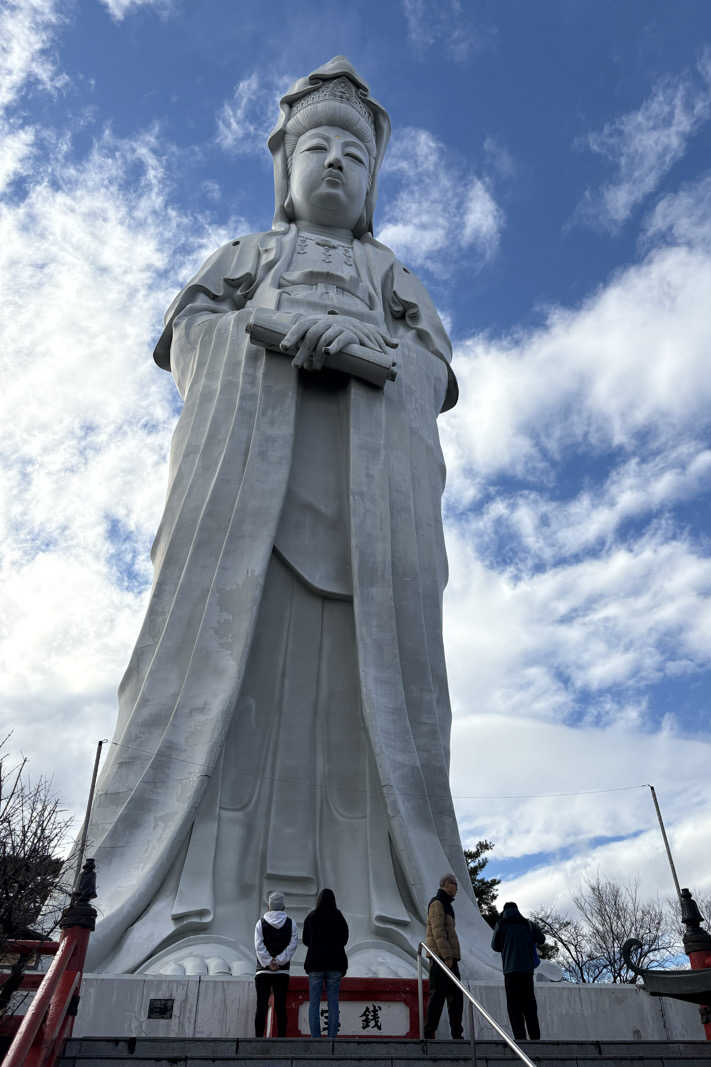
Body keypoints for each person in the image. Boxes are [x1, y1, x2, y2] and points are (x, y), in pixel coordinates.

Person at [80, 55, 497, 982]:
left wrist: (370, 351)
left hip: (364, 530)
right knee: (230, 702)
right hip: (245, 523)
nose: (337, 165)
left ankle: (389, 920)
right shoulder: (245, 259)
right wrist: (270, 334)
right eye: (318, 146)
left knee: (363, 718)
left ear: (375, 182)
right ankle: (193, 921)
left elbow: (432, 375)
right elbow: (191, 340)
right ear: (285, 168)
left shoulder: (393, 278)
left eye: (355, 152)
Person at [491, 901, 545, 1041]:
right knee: (530, 1006)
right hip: (527, 972)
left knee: (514, 1007)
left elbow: (495, 946)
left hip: (510, 972)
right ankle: (535, 1039)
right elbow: (542, 939)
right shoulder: (527, 924)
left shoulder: (501, 925)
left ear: (504, 911)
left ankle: (520, 1039)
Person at [302, 888, 349, 1038]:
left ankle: (316, 1038)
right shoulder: (339, 917)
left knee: (314, 1004)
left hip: (315, 965)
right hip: (335, 965)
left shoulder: (312, 917)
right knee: (333, 1003)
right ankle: (331, 1038)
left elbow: (305, 940)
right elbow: (344, 939)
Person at [423, 874, 463, 1040]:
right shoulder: (437, 903)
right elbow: (438, 931)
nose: (457, 889)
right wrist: (447, 955)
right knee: (438, 996)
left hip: (449, 957)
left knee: (456, 997)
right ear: (446, 884)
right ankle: (428, 1031)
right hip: (440, 957)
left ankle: (457, 1034)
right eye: (455, 884)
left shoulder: (447, 904)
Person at [254, 891, 299, 1037]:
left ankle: (258, 1036)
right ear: (283, 907)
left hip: (263, 972)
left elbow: (258, 945)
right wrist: (280, 961)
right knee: (280, 1006)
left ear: (269, 906)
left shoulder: (260, 923)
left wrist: (268, 962)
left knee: (261, 1005)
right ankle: (281, 1038)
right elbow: (293, 945)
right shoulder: (291, 923)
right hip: (282, 972)